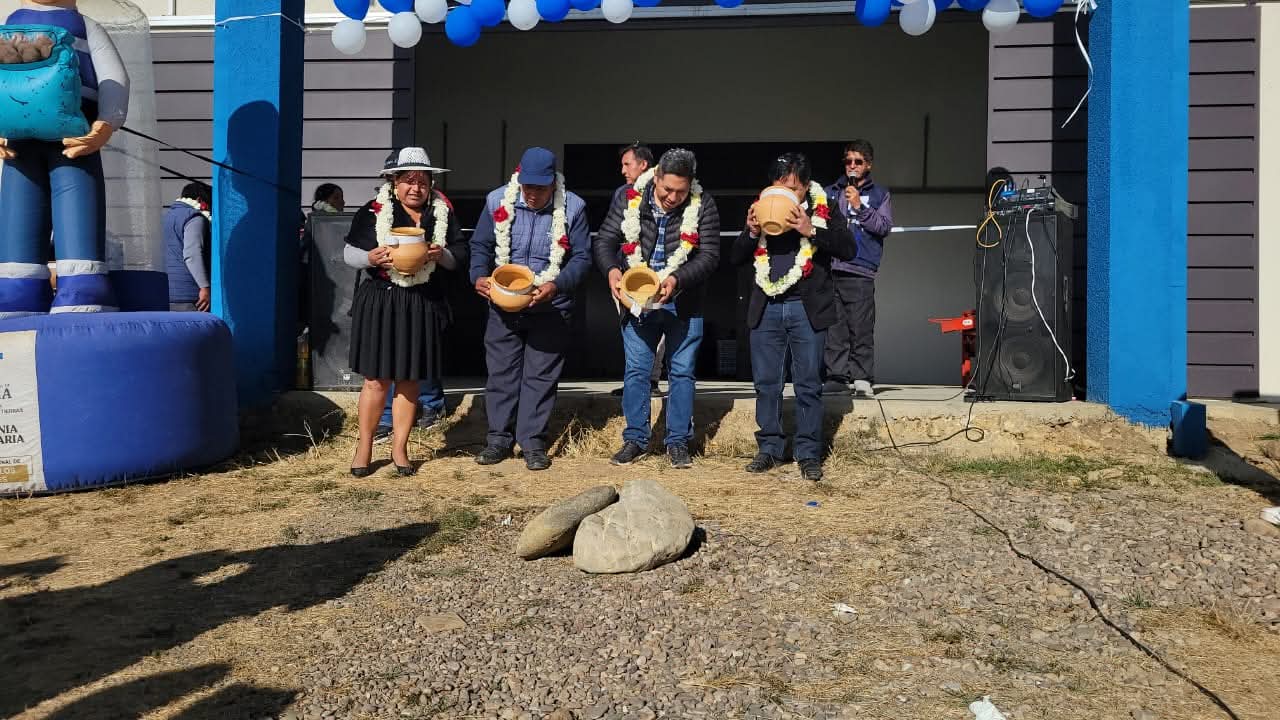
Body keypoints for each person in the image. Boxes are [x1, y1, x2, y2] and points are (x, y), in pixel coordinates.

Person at [342, 147, 466, 477]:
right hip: (381, 299)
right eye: (409, 181)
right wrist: (370, 258)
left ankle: (400, 448)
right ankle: (364, 447)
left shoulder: (442, 212)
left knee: (409, 379)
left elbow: (459, 255)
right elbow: (348, 253)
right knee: (376, 380)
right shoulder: (373, 211)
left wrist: (442, 256)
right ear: (394, 183)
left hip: (422, 300)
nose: (416, 188)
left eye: (423, 181)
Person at [0, 0, 129, 317]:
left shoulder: (85, 26)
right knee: (23, 206)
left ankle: (81, 284)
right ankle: (19, 287)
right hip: (27, 138)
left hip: (74, 133)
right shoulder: (12, 24)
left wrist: (104, 124)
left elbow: (114, 78)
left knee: (70, 200)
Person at [731, 153, 855, 482]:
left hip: (806, 308)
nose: (788, 194)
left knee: (808, 384)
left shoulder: (823, 205)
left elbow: (848, 248)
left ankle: (809, 452)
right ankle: (769, 448)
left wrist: (810, 228)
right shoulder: (760, 208)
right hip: (766, 306)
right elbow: (735, 257)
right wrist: (748, 231)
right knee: (767, 383)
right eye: (781, 186)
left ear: (806, 188)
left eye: (795, 189)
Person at [595, 148, 720, 469]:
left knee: (681, 372)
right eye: (667, 189)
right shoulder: (628, 197)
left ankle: (677, 441)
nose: (673, 197)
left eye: (681, 191)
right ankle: (635, 439)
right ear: (656, 178)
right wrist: (611, 269)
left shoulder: (703, 203)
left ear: (691, 184)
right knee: (637, 371)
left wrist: (677, 280)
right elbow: (605, 239)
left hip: (684, 303)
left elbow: (709, 256)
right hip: (638, 299)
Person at [469, 147, 591, 471]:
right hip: (504, 302)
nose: (533, 194)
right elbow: (481, 244)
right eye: (527, 187)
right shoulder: (497, 200)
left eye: (540, 188)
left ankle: (533, 443)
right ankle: (498, 439)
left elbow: (581, 258)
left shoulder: (574, 208)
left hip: (551, 305)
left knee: (540, 375)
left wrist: (557, 284)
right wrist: (477, 276)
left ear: (554, 183)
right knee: (502, 372)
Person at [822, 140, 893, 398]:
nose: (852, 166)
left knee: (860, 326)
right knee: (834, 327)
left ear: (868, 165)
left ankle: (862, 377)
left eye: (858, 162)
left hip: (860, 269)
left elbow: (884, 227)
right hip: (831, 267)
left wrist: (859, 207)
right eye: (848, 161)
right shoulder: (830, 191)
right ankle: (836, 377)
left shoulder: (880, 194)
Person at [609, 142, 664, 398]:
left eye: (626, 164)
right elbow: (613, 231)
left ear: (643, 165)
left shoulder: (663, 189)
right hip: (627, 272)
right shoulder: (622, 193)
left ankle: (651, 379)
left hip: (659, 274)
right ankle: (635, 380)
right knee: (630, 325)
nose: (623, 170)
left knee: (657, 323)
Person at [163, 182, 213, 312]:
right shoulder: (194, 218)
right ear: (199, 200)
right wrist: (205, 287)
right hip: (191, 295)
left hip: (166, 294)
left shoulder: (167, 217)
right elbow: (192, 254)